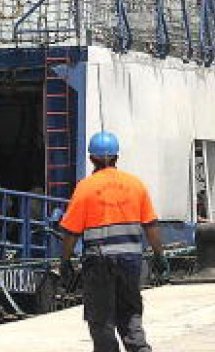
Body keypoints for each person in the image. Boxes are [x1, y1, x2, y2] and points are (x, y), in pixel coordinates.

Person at [60, 131, 167, 352]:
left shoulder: (85, 187)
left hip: (98, 263)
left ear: (91, 158)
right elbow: (151, 226)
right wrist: (159, 255)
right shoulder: (135, 184)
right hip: (130, 262)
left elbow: (71, 232)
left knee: (101, 320)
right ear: (117, 156)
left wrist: (65, 260)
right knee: (130, 315)